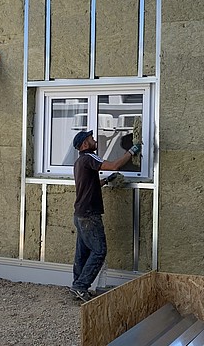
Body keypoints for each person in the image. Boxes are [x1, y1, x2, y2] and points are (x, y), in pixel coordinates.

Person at [69, 129, 141, 302]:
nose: (95, 140)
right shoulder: (89, 157)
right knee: (99, 251)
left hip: (80, 214)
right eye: (92, 138)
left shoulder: (80, 162)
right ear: (85, 144)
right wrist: (131, 151)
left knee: (83, 252)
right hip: (89, 215)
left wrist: (107, 180)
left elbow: (90, 186)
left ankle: (77, 285)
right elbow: (115, 165)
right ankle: (80, 286)